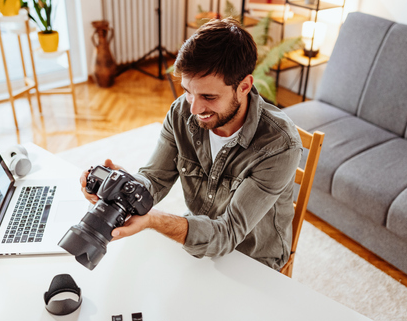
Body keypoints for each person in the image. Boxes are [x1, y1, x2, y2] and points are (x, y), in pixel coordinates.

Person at [79, 18, 302, 270]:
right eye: (187, 91)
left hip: (253, 259)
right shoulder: (181, 112)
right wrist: (124, 187)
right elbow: (155, 178)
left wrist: (155, 220)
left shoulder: (279, 145)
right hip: (197, 242)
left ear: (244, 86)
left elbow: (228, 234)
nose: (194, 109)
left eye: (208, 96)